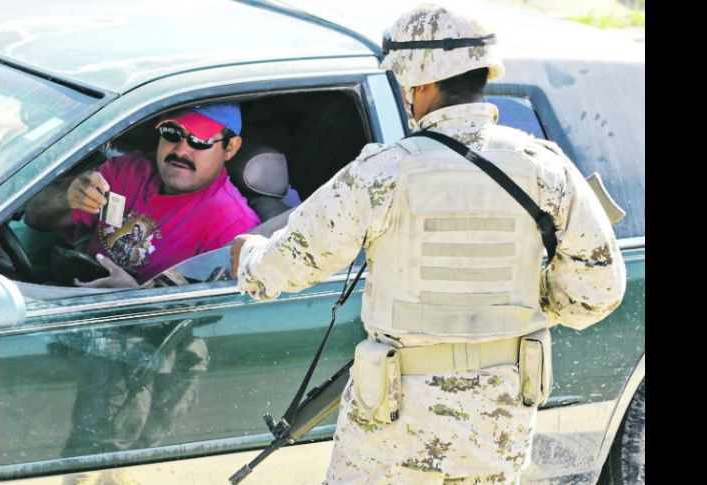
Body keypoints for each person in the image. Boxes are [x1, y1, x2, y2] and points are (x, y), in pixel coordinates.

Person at [230, 4, 626, 484]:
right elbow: (597, 292)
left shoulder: (385, 171)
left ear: (420, 86)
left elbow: (286, 267)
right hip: (498, 424)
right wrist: (522, 304)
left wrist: (249, 256)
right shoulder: (547, 169)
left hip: (394, 423)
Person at [25, 103, 260, 288]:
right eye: (172, 132)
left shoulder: (233, 227)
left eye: (199, 141)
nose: (180, 150)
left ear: (230, 148)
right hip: (66, 295)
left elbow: (211, 321)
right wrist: (67, 197)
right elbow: (34, 216)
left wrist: (131, 294)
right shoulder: (127, 171)